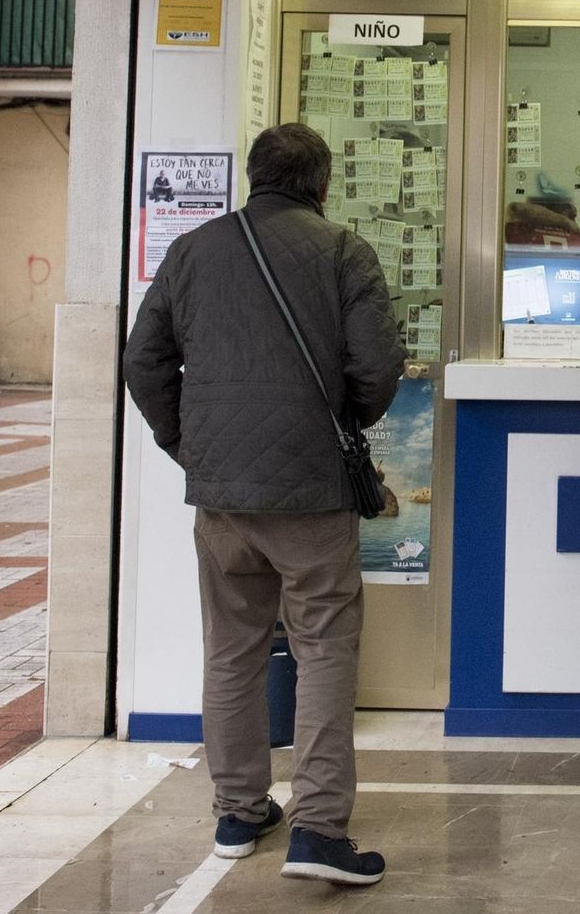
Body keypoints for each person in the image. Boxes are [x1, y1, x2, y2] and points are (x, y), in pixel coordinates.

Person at [123, 123, 405, 888]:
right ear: (322, 183)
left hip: (221, 499)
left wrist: (190, 443)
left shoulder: (193, 251)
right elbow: (378, 368)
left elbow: (142, 360)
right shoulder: (344, 251)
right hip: (312, 494)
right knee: (322, 646)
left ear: (255, 178)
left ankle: (239, 808)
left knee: (232, 648)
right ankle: (316, 827)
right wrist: (340, 426)